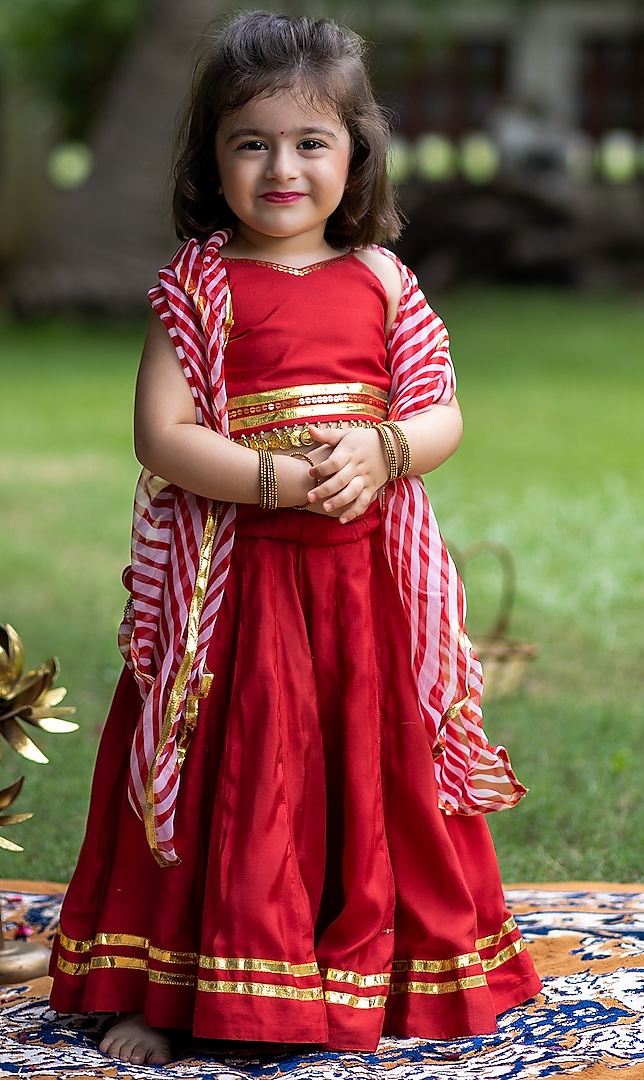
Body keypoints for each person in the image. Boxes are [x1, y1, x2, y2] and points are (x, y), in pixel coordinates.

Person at [49, 10, 542, 1066]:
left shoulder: (382, 280)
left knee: (373, 774)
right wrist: (275, 479)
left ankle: (385, 973)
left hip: (365, 592)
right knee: (234, 775)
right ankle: (173, 990)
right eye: (251, 142)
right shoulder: (200, 286)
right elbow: (163, 435)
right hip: (233, 599)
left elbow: (441, 411)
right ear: (211, 158)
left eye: (311, 141)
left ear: (356, 155)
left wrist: (389, 452)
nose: (283, 167)